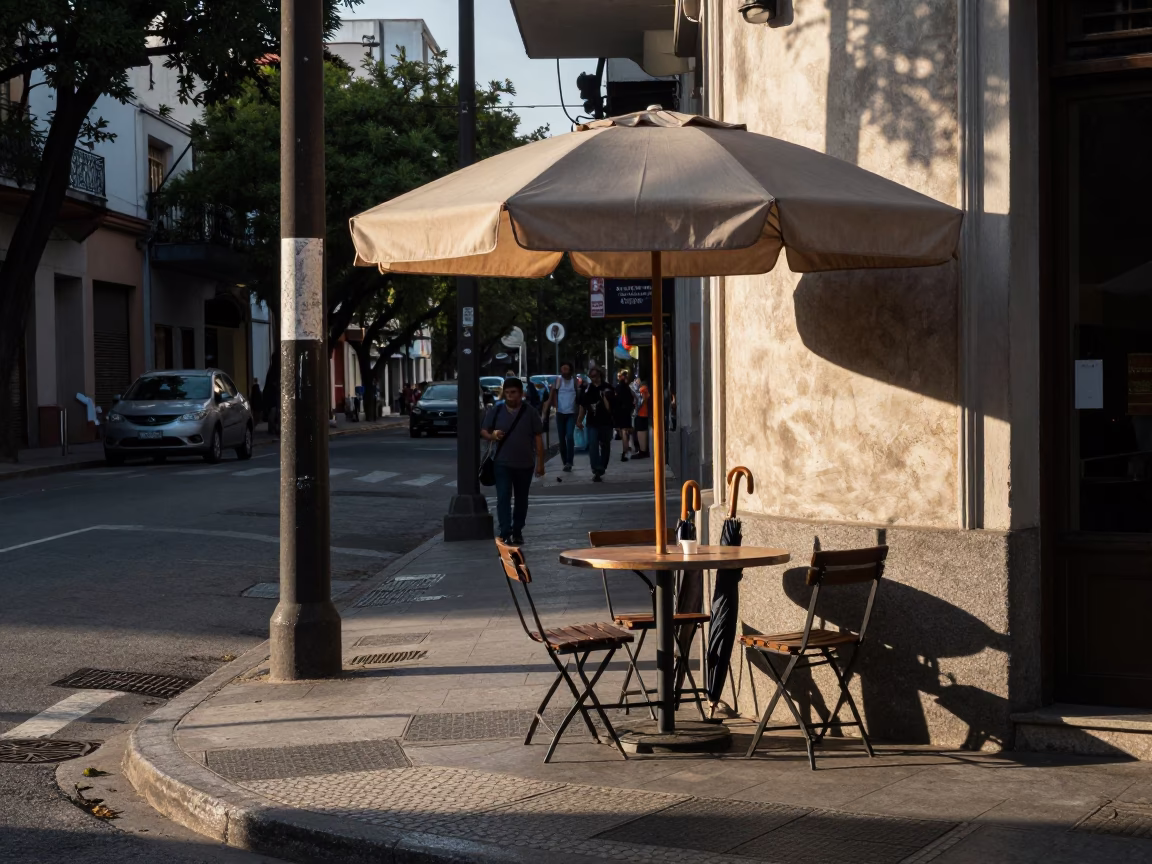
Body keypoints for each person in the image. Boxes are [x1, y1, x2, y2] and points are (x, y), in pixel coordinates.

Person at [480, 378, 545, 545]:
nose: (510, 396)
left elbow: (538, 437)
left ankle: (517, 530)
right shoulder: (497, 410)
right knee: (503, 497)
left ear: (521, 393)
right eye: (507, 393)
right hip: (501, 462)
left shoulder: (530, 412)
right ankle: (505, 531)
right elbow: (484, 431)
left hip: (525, 463)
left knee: (521, 499)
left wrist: (540, 463)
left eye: (514, 393)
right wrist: (492, 435)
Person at [576, 366, 615, 482]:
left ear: (600, 375)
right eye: (591, 376)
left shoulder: (608, 388)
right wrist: (579, 420)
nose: (593, 378)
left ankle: (602, 466)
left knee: (605, 445)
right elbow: (583, 406)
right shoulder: (587, 389)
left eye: (595, 376)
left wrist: (605, 398)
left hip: (606, 422)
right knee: (593, 445)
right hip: (592, 422)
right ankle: (596, 469)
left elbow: (611, 408)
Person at [547, 362, 581, 472]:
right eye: (562, 369)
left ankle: (569, 461)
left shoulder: (575, 381)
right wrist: (555, 406)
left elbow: (579, 395)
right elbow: (553, 394)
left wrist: (579, 412)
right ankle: (565, 461)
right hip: (560, 413)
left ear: (570, 370)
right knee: (562, 439)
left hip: (571, 413)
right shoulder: (558, 380)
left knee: (570, 437)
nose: (564, 371)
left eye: (566, 369)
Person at [613, 369, 635, 462]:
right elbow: (633, 399)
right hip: (627, 411)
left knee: (623, 432)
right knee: (626, 431)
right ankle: (626, 450)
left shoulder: (618, 388)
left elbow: (615, 400)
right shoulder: (628, 388)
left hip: (620, 411)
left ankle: (625, 451)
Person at [632, 374, 650, 458]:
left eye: (637, 380)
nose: (636, 381)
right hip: (644, 413)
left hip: (642, 413)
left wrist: (636, 407)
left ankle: (642, 451)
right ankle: (642, 450)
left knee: (640, 431)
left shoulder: (643, 389)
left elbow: (641, 400)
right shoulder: (645, 389)